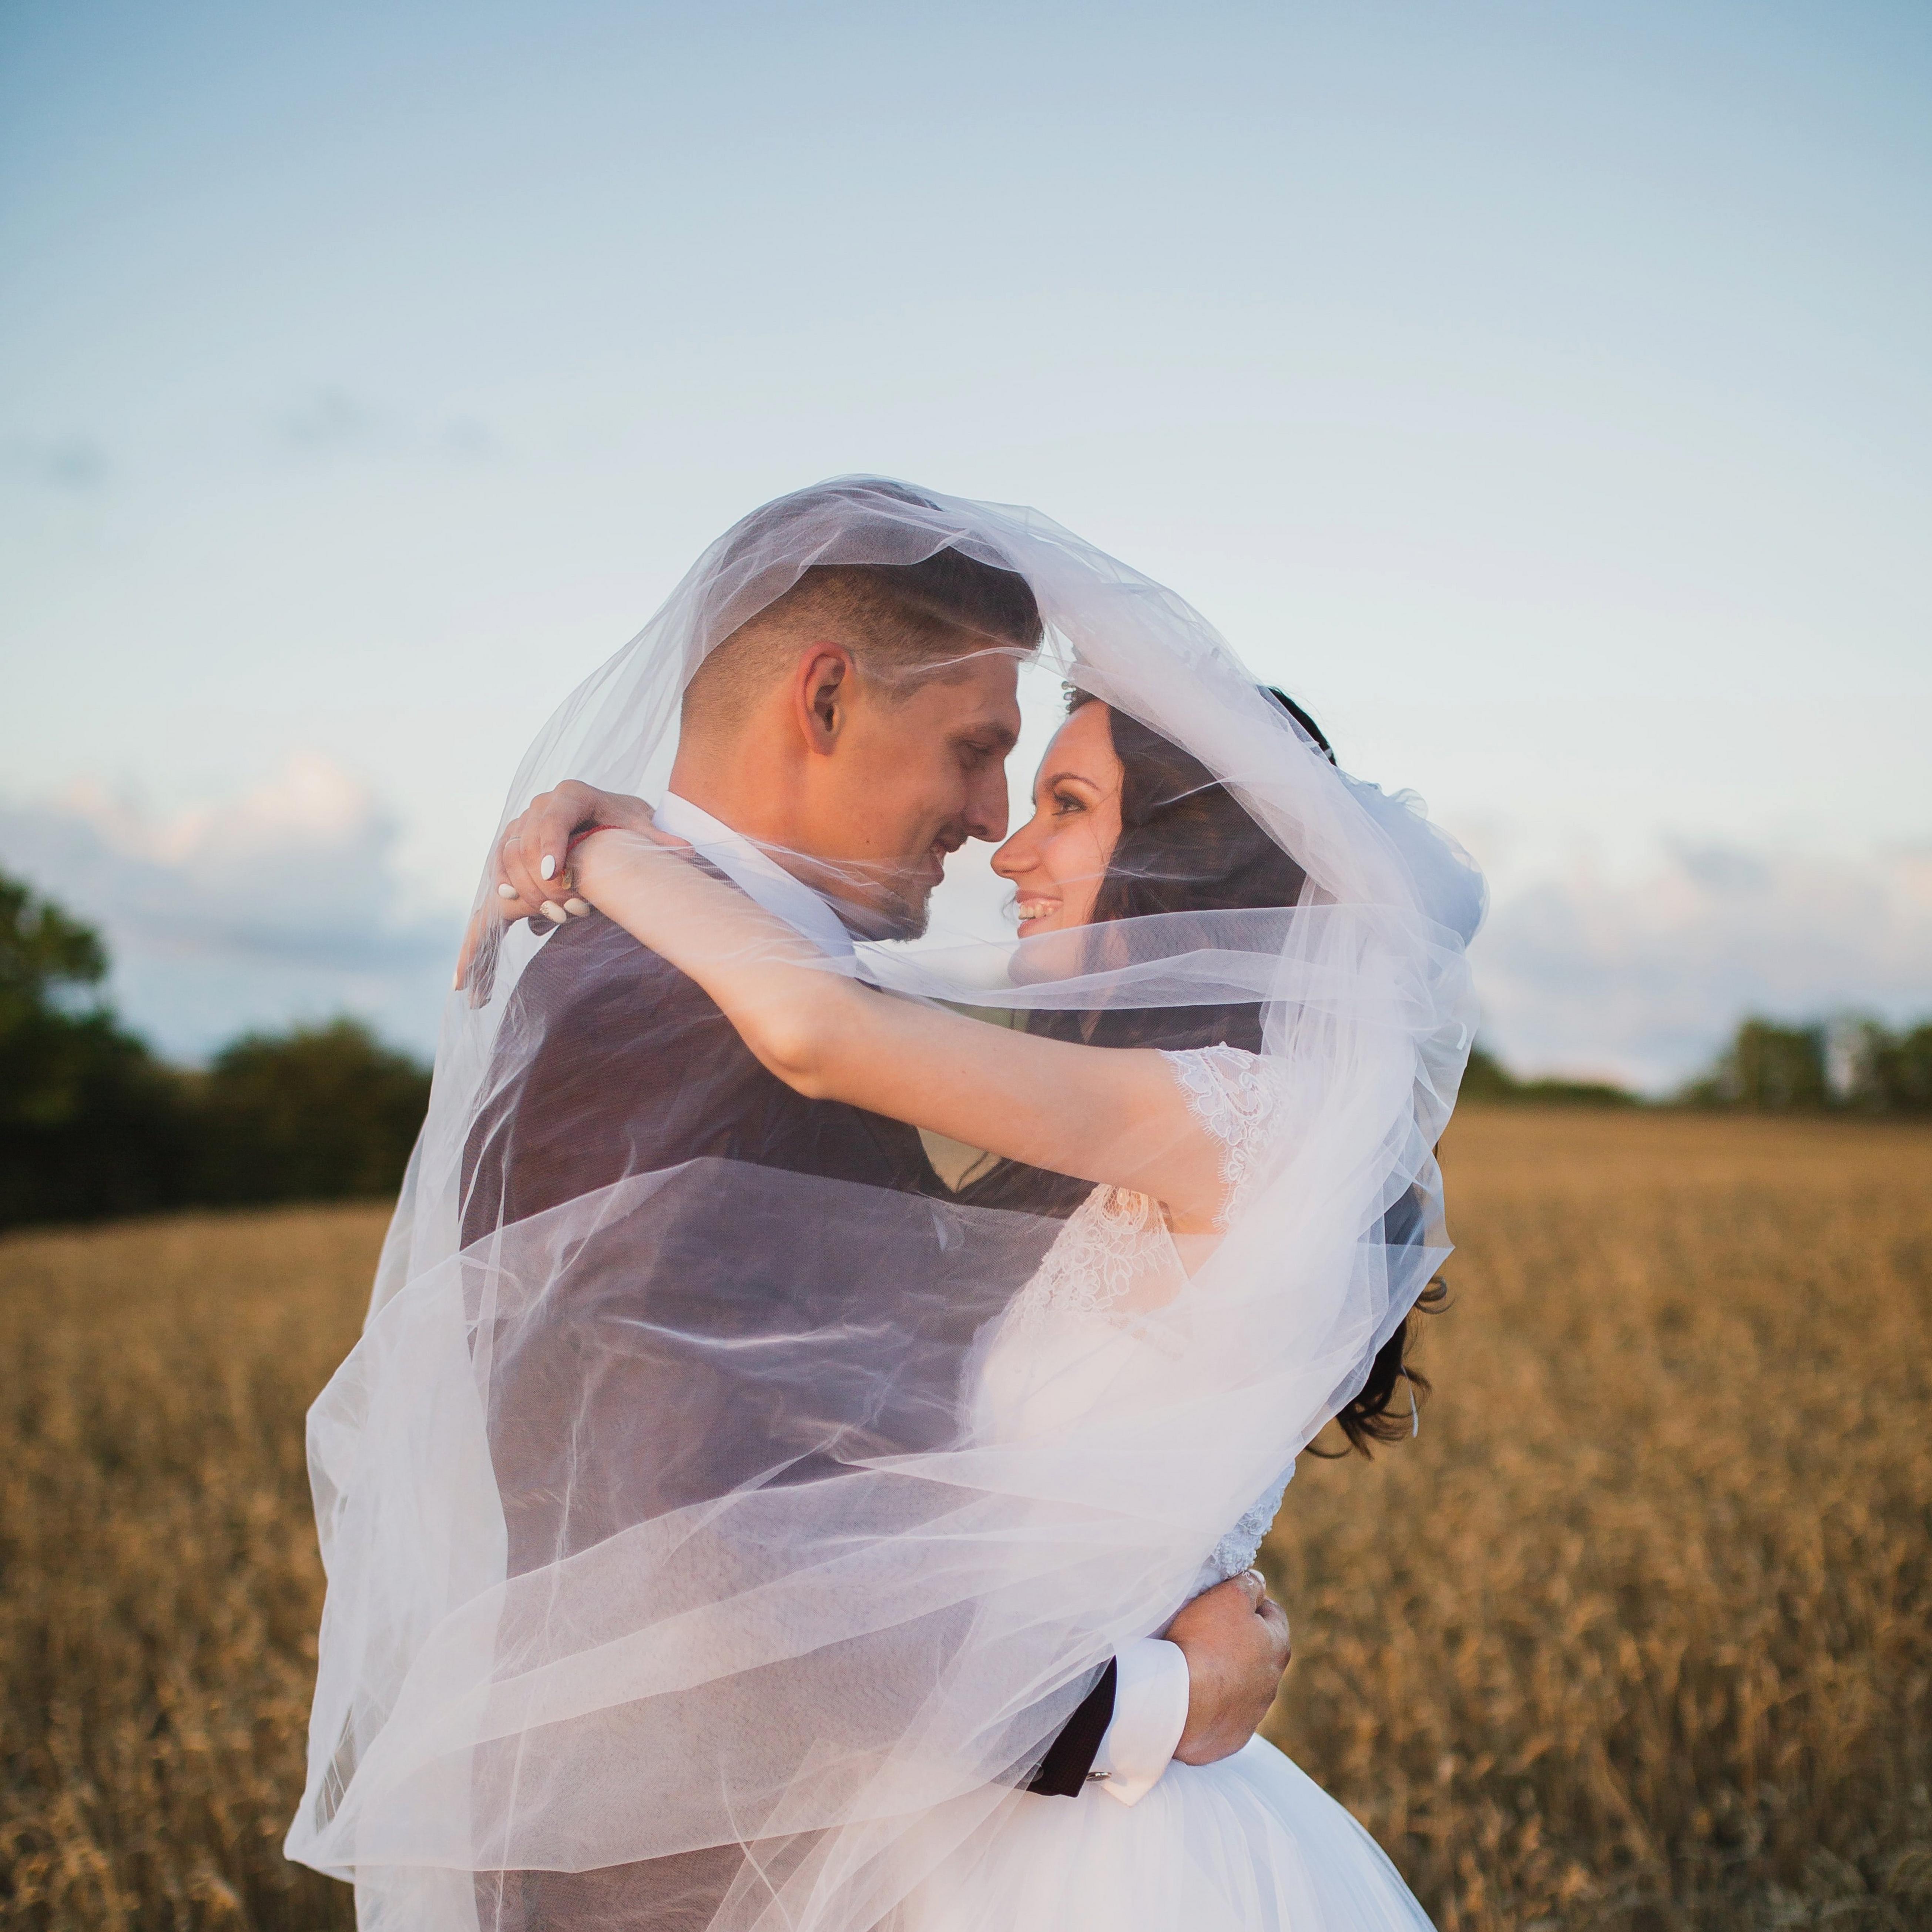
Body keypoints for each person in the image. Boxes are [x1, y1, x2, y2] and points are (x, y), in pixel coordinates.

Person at [286, 479, 1479, 1932]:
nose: (997, 833)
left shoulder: (1199, 1117)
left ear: (1186, 861)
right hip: (804, 1830)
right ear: (829, 697)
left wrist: (602, 844)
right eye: (989, 758)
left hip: (1031, 1845)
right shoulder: (666, 1013)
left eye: (1056, 797)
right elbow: (698, 1527)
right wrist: (1153, 1695)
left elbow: (820, 1051)